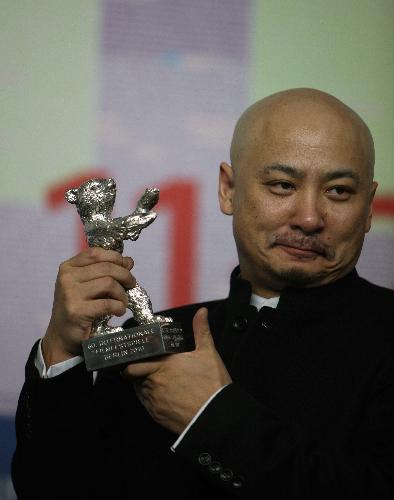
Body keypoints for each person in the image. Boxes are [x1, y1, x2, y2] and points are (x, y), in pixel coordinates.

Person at [12, 88, 394, 499]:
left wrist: (211, 417)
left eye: (338, 191)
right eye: (283, 185)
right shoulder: (158, 337)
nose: (308, 217)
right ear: (228, 189)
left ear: (369, 207)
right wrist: (60, 352)